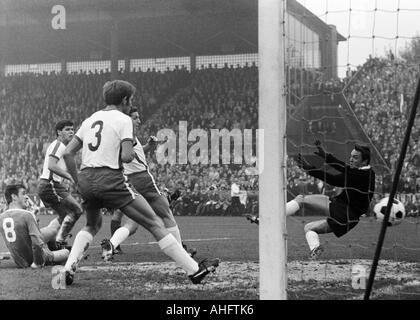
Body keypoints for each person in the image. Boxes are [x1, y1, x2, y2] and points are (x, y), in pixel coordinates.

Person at [55, 80, 219, 288]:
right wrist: (130, 146)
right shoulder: (124, 120)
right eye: (130, 100)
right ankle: (194, 271)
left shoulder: (90, 119)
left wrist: (77, 180)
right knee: (154, 222)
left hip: (87, 179)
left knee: (92, 224)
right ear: (125, 100)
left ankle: (68, 269)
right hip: (111, 179)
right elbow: (126, 156)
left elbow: (68, 152)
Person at [246, 141, 375, 260]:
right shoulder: (367, 172)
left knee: (301, 200)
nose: (351, 159)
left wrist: (310, 168)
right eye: (351, 156)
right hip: (346, 216)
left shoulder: (360, 176)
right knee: (309, 228)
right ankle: (315, 250)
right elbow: (344, 167)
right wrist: (326, 156)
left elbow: (334, 178)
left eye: (355, 157)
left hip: (343, 212)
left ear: (365, 161)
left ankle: (266, 220)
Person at [103, 107, 195, 259]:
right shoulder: (128, 134)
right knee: (166, 212)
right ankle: (181, 252)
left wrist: (149, 145)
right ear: (127, 119)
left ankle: (111, 244)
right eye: (135, 117)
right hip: (142, 178)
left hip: (129, 180)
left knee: (132, 223)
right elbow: (127, 155)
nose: (139, 120)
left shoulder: (121, 136)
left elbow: (134, 152)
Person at [37, 120, 84, 248]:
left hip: (51, 185)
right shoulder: (59, 145)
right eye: (67, 129)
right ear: (59, 132)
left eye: (72, 129)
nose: (71, 132)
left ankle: (49, 241)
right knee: (77, 210)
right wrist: (68, 177)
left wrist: (65, 180)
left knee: (64, 215)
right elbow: (52, 165)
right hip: (50, 184)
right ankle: (55, 240)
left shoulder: (62, 147)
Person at [0, 184, 69, 268]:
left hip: (19, 260)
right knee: (66, 252)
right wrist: (37, 262)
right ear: (14, 196)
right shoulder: (27, 215)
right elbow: (36, 243)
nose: (26, 197)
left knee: (52, 230)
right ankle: (54, 249)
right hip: (35, 257)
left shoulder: (1, 216)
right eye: (23, 193)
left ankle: (54, 247)